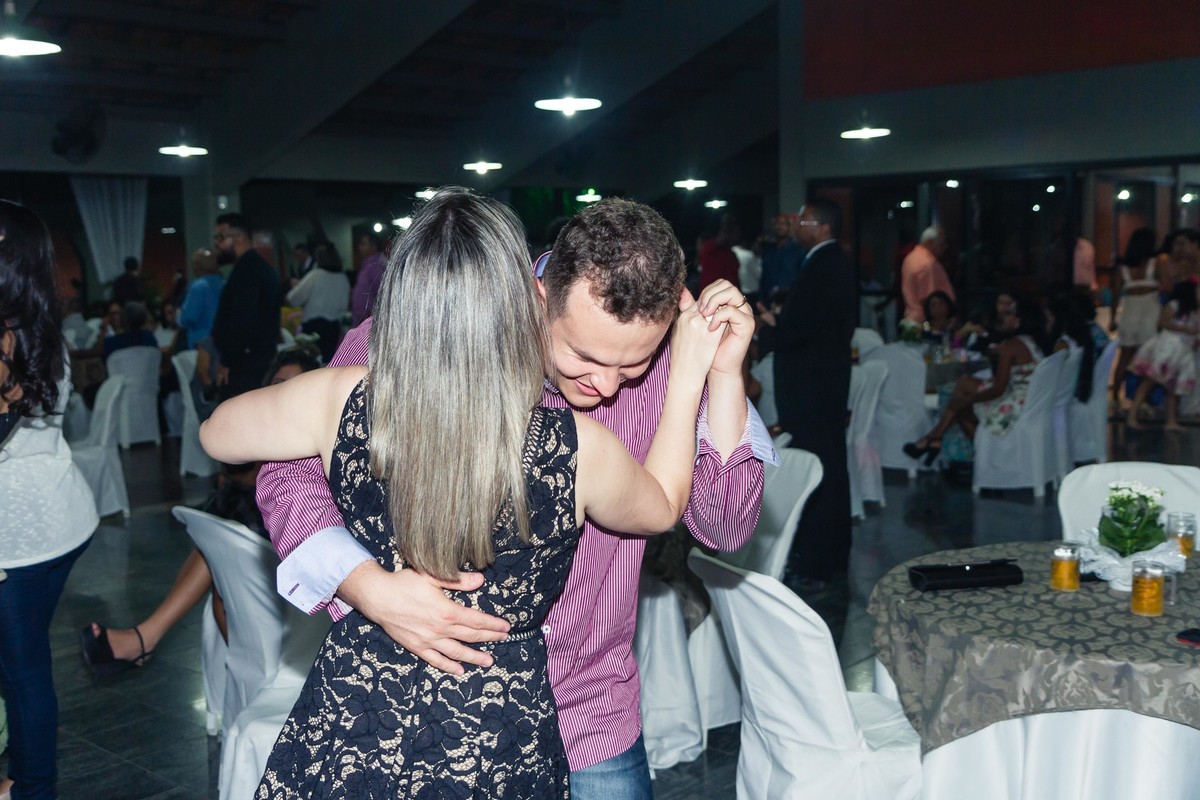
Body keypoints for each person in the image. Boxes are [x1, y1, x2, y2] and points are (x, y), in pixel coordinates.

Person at [203, 188, 730, 798]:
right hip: (495, 736)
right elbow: (664, 505)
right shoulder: (573, 447)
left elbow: (219, 435)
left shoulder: (340, 397)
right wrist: (693, 376)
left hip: (361, 717)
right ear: (523, 302)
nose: (609, 384)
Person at [79, 349, 321, 677]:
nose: (287, 393)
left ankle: (150, 638)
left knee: (221, 544)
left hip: (292, 549)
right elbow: (244, 473)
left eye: (296, 385)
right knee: (220, 543)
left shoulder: (321, 438)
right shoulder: (265, 430)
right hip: (249, 535)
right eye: (279, 384)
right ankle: (227, 660)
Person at [0, 200, 99, 800]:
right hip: (56, 517)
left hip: (20, 532)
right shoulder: (42, 329)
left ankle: (33, 787)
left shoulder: (6, 336)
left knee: (23, 666)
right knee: (23, 661)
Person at [756, 197, 857, 586]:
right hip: (821, 390)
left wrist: (766, 329)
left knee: (819, 473)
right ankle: (825, 554)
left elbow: (801, 333)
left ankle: (818, 558)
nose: (796, 225)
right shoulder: (826, 264)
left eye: (802, 219)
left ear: (821, 227)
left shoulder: (825, 266)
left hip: (814, 392)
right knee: (828, 470)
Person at [904, 295, 1045, 461]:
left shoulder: (1008, 345)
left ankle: (984, 455)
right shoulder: (926, 327)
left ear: (1018, 320)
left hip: (1016, 406)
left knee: (958, 405)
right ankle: (936, 436)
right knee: (963, 385)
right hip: (1029, 400)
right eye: (934, 305)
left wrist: (971, 399)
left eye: (1009, 313)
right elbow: (939, 350)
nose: (1003, 316)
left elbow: (998, 388)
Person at [210, 213, 281, 399]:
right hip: (253, 359)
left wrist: (228, 359)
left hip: (245, 363)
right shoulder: (257, 267)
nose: (217, 243)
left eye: (221, 237)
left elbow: (243, 320)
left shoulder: (247, 272)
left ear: (239, 238)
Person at [1127, 280, 1200, 431]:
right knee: (1150, 381)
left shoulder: (1193, 310)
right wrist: (1185, 330)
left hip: (1182, 349)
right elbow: (1162, 322)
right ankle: (1132, 416)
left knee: (1171, 387)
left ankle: (1171, 421)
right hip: (1167, 347)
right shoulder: (1174, 306)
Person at [1111, 228, 1161, 401]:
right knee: (1148, 358)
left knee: (1124, 357)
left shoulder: (1123, 269)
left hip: (1129, 313)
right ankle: (1144, 399)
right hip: (1150, 312)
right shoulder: (1155, 264)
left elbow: (1116, 296)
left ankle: (1115, 395)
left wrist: (1112, 319)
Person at [286, 241, 349, 363]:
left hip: (314, 327)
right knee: (328, 364)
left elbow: (292, 299)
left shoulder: (315, 275)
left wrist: (296, 286)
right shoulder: (343, 278)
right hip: (334, 328)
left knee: (309, 364)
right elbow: (344, 305)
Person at [900, 226, 955, 323]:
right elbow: (931, 300)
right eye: (941, 244)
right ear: (929, 242)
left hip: (912, 319)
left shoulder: (910, 258)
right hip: (925, 323)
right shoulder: (927, 263)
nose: (944, 248)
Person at [178, 248, 225, 349]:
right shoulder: (226, 284)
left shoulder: (198, 287)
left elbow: (189, 318)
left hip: (201, 343)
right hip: (224, 340)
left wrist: (180, 316)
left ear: (197, 266)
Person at [350, 231, 386, 326]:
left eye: (363, 244)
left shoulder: (375, 266)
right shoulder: (368, 265)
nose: (360, 247)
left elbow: (381, 293)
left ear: (373, 246)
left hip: (369, 322)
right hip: (363, 320)